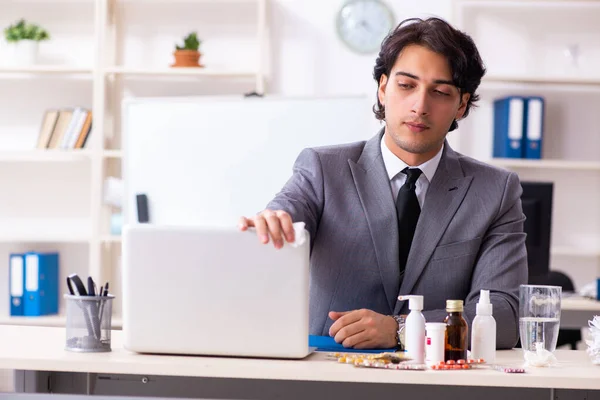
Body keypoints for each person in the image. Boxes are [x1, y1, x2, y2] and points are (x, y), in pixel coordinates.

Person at [239, 17, 527, 350]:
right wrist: (273, 220)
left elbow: (505, 319)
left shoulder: (495, 190)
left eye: (440, 92)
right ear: (382, 89)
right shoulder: (322, 169)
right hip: (330, 375)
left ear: (461, 105)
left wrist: (402, 329)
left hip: (438, 383)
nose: (420, 106)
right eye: (406, 86)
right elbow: (286, 211)